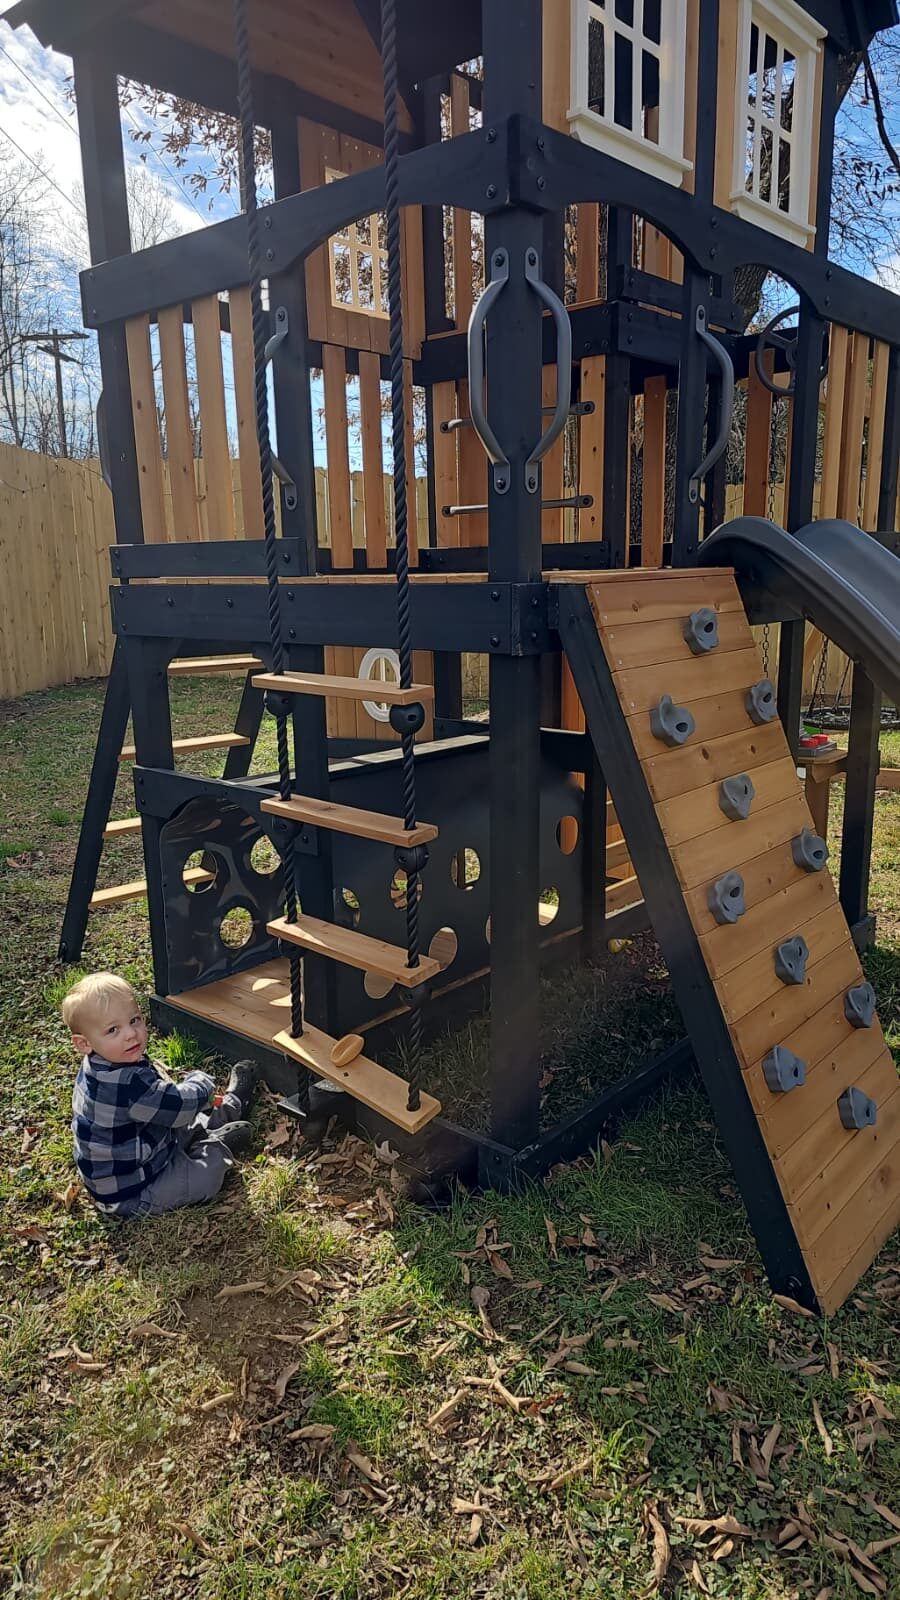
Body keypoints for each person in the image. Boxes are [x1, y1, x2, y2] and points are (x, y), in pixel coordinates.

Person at [62, 971, 260, 1219]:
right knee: (203, 1179)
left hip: (141, 1149)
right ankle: (215, 1147)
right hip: (132, 1191)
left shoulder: (101, 1062)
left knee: (181, 1120)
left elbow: (158, 1103)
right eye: (113, 1030)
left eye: (134, 1020)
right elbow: (177, 1107)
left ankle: (231, 1107)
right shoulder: (125, 1085)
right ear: (84, 1043)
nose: (130, 1033)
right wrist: (201, 1082)